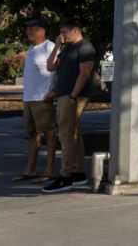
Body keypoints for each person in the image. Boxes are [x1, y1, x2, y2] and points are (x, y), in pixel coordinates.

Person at [41, 19, 102, 193]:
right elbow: (51, 66)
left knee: (66, 133)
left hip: (74, 96)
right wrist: (57, 46)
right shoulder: (67, 48)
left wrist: (73, 95)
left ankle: (66, 174)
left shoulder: (85, 47)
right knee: (73, 133)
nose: (62, 35)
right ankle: (77, 172)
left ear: (75, 30)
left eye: (65, 31)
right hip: (64, 95)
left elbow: (84, 73)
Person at [14, 18, 57, 182]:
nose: (29, 32)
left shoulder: (50, 47)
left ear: (43, 31)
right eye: (28, 29)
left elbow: (57, 70)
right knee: (32, 134)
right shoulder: (32, 49)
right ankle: (30, 169)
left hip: (43, 98)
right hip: (29, 98)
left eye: (33, 29)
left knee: (49, 134)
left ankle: (49, 170)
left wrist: (53, 91)